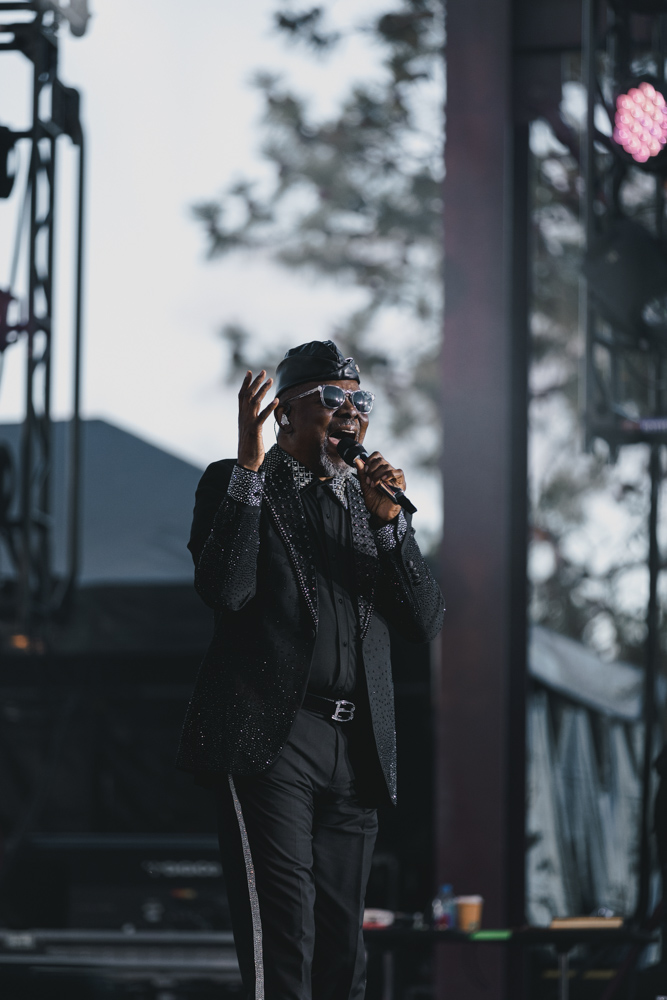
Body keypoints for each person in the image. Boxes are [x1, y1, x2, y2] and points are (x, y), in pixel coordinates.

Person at [177, 340, 444, 1000]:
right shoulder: (238, 483)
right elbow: (226, 589)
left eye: (360, 402)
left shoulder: (367, 505)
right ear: (284, 416)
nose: (349, 413)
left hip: (355, 747)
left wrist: (391, 533)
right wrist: (247, 465)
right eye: (331, 400)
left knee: (341, 946)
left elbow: (422, 622)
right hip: (274, 736)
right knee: (285, 933)